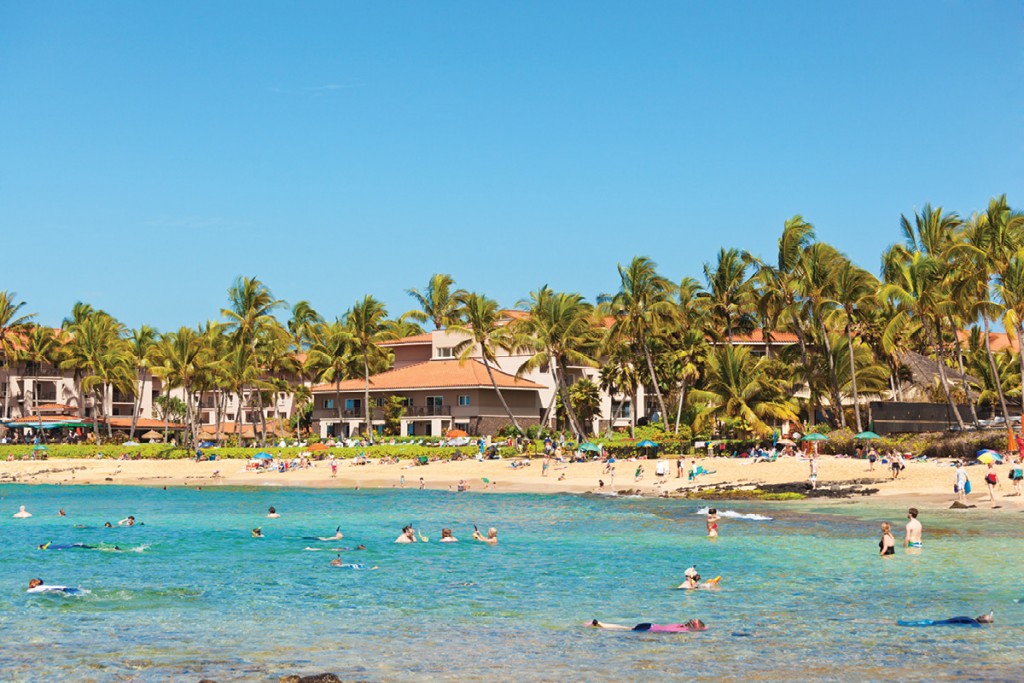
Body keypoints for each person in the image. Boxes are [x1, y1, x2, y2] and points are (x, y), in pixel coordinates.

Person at [588, 619, 706, 632]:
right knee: (624, 629)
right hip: (648, 629)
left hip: (650, 624)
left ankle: (600, 623)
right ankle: (601, 625)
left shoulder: (679, 625)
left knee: (625, 628)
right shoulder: (683, 631)